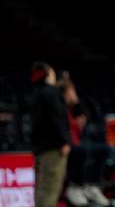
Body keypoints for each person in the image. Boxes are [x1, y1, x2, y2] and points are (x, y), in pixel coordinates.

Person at [59, 71, 111, 207]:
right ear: (65, 93)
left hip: (76, 143)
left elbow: (82, 118)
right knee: (81, 151)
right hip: (65, 146)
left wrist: (76, 103)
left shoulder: (73, 109)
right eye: (71, 91)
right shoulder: (59, 108)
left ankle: (91, 186)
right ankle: (74, 187)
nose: (74, 94)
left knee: (104, 149)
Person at [29, 61, 71, 207]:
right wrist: (64, 141)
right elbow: (57, 118)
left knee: (41, 190)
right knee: (50, 190)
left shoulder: (35, 93)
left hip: (39, 149)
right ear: (47, 74)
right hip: (53, 149)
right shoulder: (51, 93)